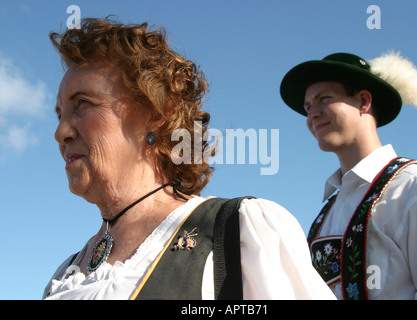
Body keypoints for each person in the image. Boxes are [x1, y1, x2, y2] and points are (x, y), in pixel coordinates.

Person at [42, 17, 335, 300]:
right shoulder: (64, 276)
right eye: (59, 114)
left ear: (156, 113)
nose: (61, 132)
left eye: (82, 103)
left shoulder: (237, 233)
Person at [280, 52, 417, 300]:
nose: (312, 115)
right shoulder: (326, 213)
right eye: (308, 107)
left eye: (323, 99)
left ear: (364, 101)